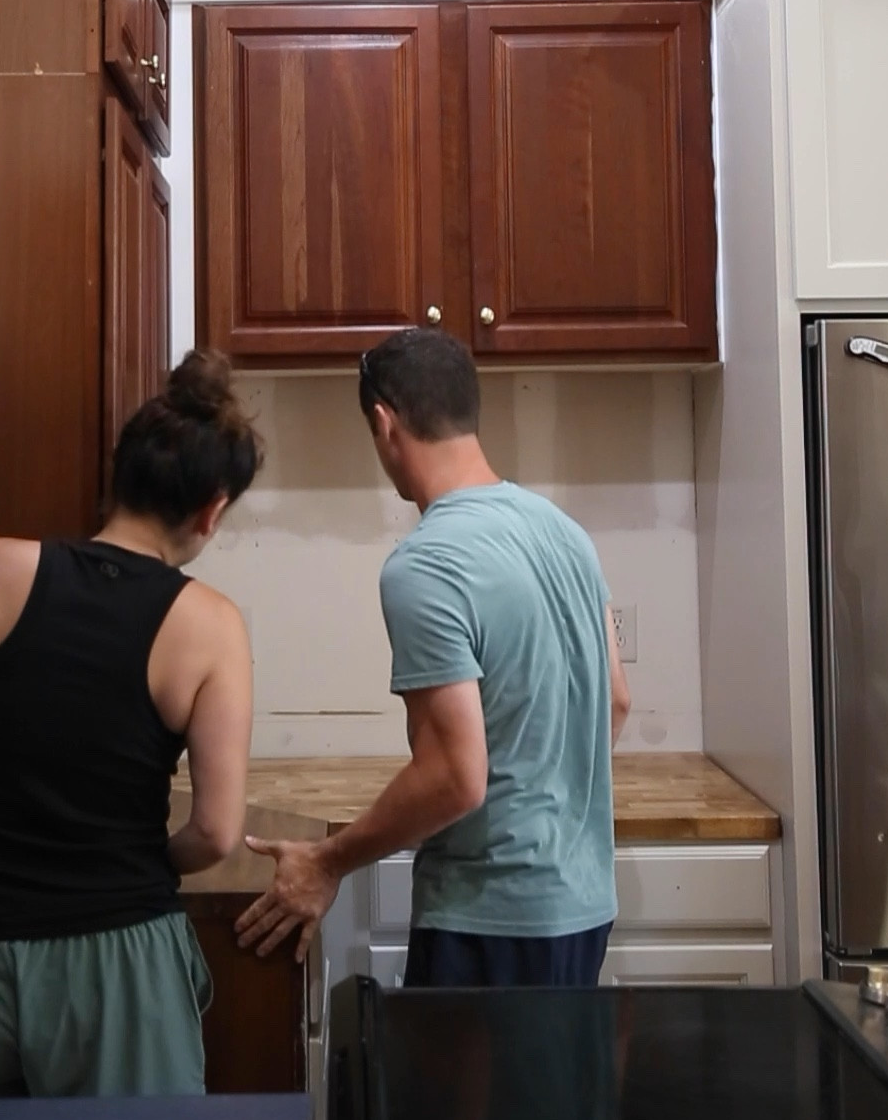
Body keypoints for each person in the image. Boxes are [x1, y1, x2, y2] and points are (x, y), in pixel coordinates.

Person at [0, 350, 262, 1097]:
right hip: (115, 959)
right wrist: (123, 859)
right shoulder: (212, 627)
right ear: (212, 510)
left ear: (118, 475)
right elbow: (217, 833)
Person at [236, 327, 630, 987]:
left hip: (489, 918)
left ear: (385, 424)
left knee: (459, 1095)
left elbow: (455, 775)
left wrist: (328, 861)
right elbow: (614, 701)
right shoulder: (565, 534)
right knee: (556, 1092)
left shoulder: (427, 564)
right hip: (583, 907)